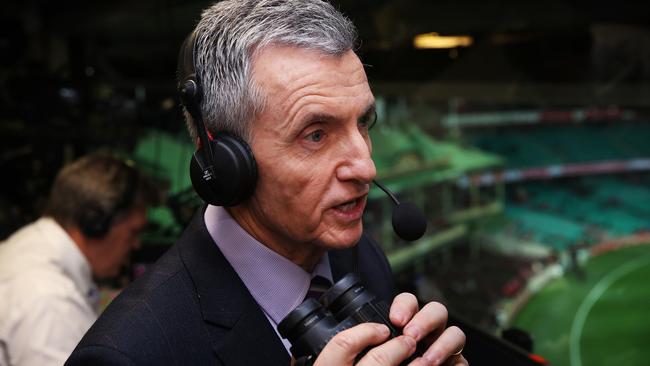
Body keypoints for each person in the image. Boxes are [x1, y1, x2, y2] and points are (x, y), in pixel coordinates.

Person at [67, 1, 468, 365]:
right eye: (316, 134)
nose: (366, 166)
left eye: (363, 122)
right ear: (224, 164)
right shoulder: (128, 354)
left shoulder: (364, 260)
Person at [0, 154, 155, 366]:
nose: (136, 244)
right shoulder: (51, 301)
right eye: (133, 232)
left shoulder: (28, 246)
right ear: (95, 222)